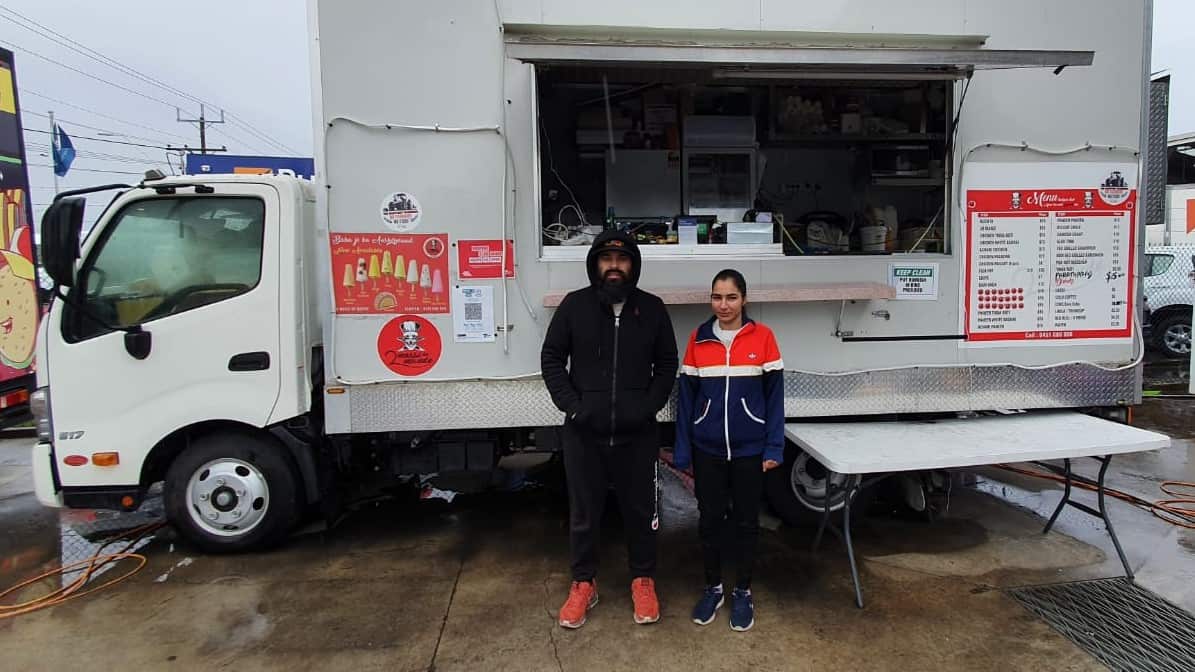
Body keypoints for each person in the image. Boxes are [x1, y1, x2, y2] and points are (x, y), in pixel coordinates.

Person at [540, 229, 679, 629]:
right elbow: (552, 359)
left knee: (641, 511)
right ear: (595, 265)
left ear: (633, 265)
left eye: (622, 260)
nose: (614, 267)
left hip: (637, 434)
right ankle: (584, 583)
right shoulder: (574, 306)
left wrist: (646, 407)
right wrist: (575, 408)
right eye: (606, 260)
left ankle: (643, 579)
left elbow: (667, 364)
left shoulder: (651, 309)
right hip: (585, 434)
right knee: (585, 514)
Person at [673, 269, 784, 632]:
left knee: (747, 524)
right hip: (708, 451)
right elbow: (686, 402)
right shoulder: (698, 340)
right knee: (709, 522)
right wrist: (684, 450)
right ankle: (713, 588)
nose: (723, 305)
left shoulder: (763, 338)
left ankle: (743, 591)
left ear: (744, 300)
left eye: (731, 297)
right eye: (717, 297)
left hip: (750, 451)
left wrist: (773, 446)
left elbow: (774, 400)